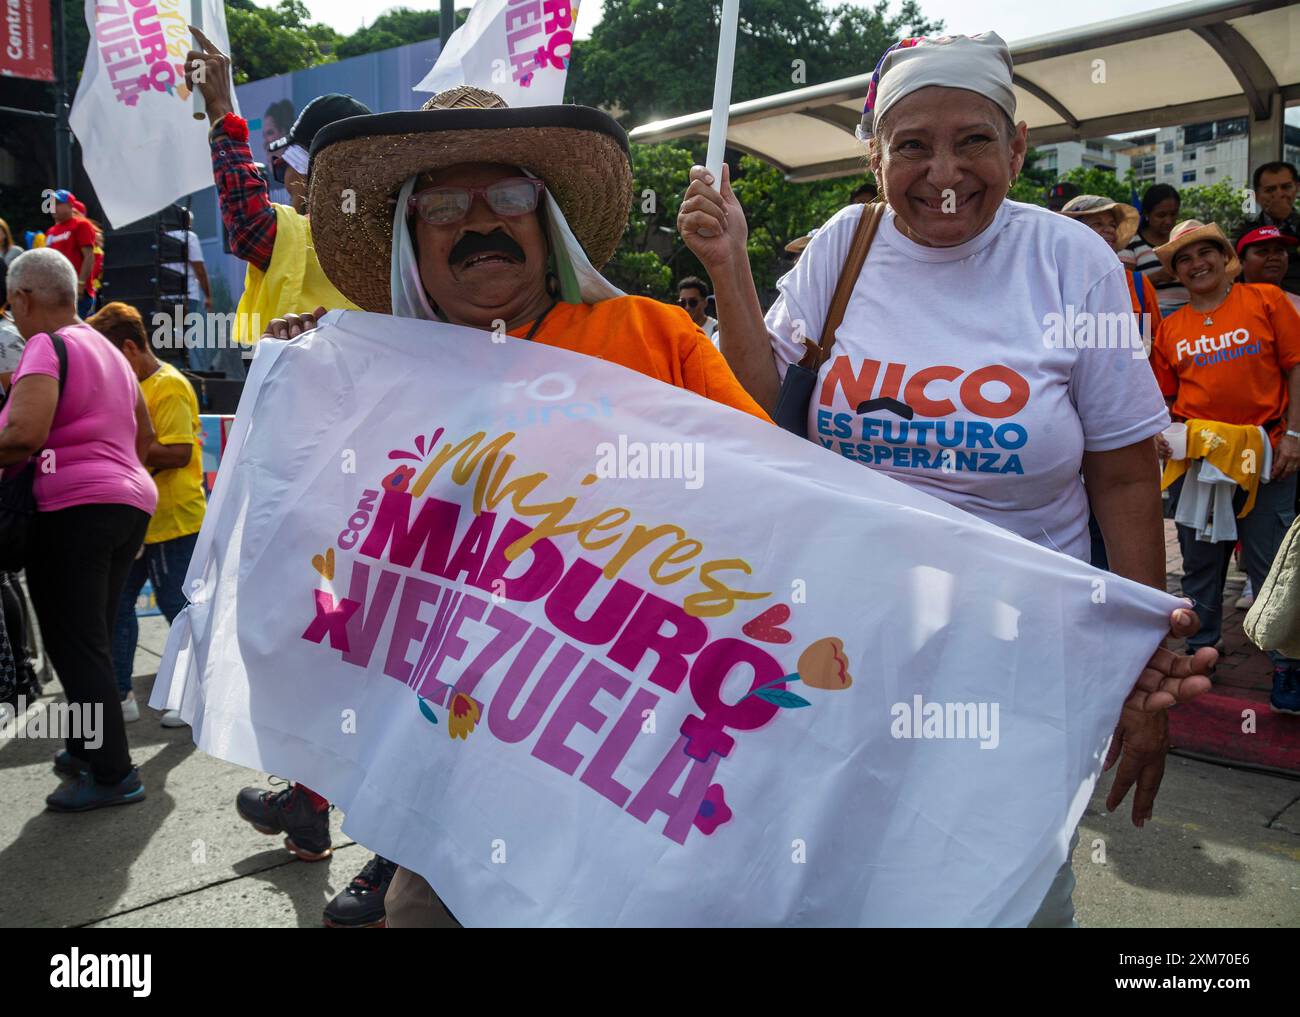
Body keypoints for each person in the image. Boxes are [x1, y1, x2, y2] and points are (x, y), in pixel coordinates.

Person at [678, 31, 1215, 927]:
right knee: (837, 879)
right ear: (875, 154)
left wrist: (1137, 658)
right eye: (912, 145)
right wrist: (728, 268)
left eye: (973, 139)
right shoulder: (844, 244)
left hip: (1018, 664)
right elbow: (761, 404)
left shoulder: (1074, 263)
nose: (943, 172)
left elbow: (1123, 478)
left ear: (1018, 148)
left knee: (1009, 893)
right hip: (841, 652)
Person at [261, 84, 769, 927]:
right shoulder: (365, 381)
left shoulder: (653, 336)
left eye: (508, 197)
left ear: (547, 220)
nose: (479, 222)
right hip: (455, 787)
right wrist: (303, 395)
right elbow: (315, 574)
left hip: (645, 766)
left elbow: (779, 506)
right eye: (444, 204)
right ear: (409, 235)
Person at [0, 250, 158, 810]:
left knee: (76, 643)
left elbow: (23, 433)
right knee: (87, 635)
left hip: (74, 508)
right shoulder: (110, 351)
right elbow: (144, 434)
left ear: (25, 298)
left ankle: (114, 774)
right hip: (127, 503)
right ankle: (83, 746)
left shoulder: (46, 345)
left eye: (11, 302)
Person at [1150, 220, 1300, 714]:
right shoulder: (1171, 327)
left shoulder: (1265, 301)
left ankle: (1286, 665)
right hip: (1200, 462)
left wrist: (1296, 436)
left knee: (1272, 562)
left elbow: (1296, 366)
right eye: (1184, 259)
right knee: (1200, 562)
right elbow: (1164, 398)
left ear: (1224, 258)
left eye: (1205, 253)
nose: (1197, 265)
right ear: (1176, 272)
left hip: (1268, 452)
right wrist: (1162, 437)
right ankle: (1202, 650)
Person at [183, 28, 369, 361]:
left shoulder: (298, 235)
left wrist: (220, 108)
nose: (284, 176)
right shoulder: (395, 242)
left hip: (293, 401)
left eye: (288, 165)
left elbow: (246, 219)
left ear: (313, 173)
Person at [89, 302, 204, 729]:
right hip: (140, 519)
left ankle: (191, 697)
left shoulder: (169, 386)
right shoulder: (131, 384)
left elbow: (178, 453)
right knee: (117, 605)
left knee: (179, 609)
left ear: (132, 348)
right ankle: (121, 695)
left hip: (174, 520)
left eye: (110, 357)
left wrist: (117, 443)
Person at [1058, 193, 1162, 342]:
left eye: (1112, 224)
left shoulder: (1137, 283)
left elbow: (1154, 343)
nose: (1110, 230)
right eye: (1098, 224)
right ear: (1074, 233)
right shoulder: (1057, 283)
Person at [159, 209, 216, 372]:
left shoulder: (161, 238)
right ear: (187, 222)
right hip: (187, 296)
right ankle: (187, 374)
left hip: (165, 296)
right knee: (186, 339)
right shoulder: (189, 237)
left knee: (168, 340)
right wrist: (209, 296)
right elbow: (199, 269)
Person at [1125, 183, 1188, 314]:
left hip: (1190, 310)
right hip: (1153, 313)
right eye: (1161, 215)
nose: (1169, 221)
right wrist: (1158, 277)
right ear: (1147, 214)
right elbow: (1125, 287)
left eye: (1173, 214)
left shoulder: (1184, 239)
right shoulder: (1131, 242)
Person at [1240, 161, 1298, 296]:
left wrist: (1290, 216)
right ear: (1257, 196)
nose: (1279, 195)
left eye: (1286, 187)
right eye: (1270, 190)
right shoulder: (1244, 232)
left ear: (1297, 188)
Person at [43, 191, 98, 318]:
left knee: (80, 333)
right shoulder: (50, 231)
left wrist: (81, 284)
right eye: (51, 204)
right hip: (57, 293)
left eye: (58, 203)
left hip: (78, 294)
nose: (53, 207)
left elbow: (89, 256)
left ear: (70, 205)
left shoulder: (81, 225)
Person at [1237, 224, 1300, 312]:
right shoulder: (1224, 305)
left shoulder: (1297, 305)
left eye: (1279, 250)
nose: (1274, 257)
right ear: (1241, 261)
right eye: (1263, 251)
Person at [677, 275, 719, 344]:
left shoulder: (716, 331)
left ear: (705, 303)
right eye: (683, 302)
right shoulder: (677, 330)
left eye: (692, 302)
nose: (687, 307)